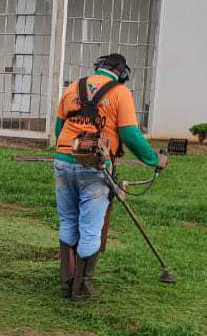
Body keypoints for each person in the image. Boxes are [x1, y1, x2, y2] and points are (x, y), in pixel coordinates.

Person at [54, 52, 166, 301]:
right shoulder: (120, 93)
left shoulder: (73, 86)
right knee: (91, 227)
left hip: (62, 160)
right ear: (122, 73)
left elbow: (58, 129)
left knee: (68, 221)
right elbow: (130, 134)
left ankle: (66, 283)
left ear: (99, 67)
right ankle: (81, 289)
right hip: (95, 167)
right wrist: (154, 159)